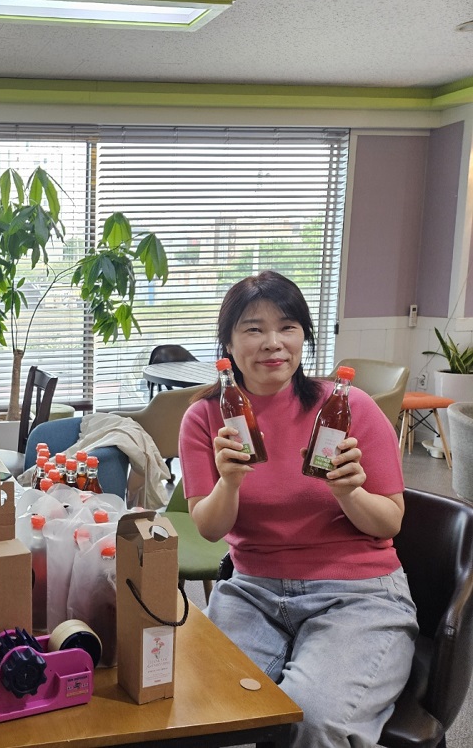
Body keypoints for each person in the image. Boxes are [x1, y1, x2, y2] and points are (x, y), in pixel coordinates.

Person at [178, 271, 418, 748]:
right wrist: (229, 482)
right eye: (253, 329)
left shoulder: (348, 407)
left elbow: (391, 520)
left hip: (357, 593)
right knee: (206, 706)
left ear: (304, 336)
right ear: (228, 343)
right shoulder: (206, 417)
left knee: (312, 717)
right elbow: (209, 528)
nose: (273, 343)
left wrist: (349, 492)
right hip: (253, 590)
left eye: (287, 327)